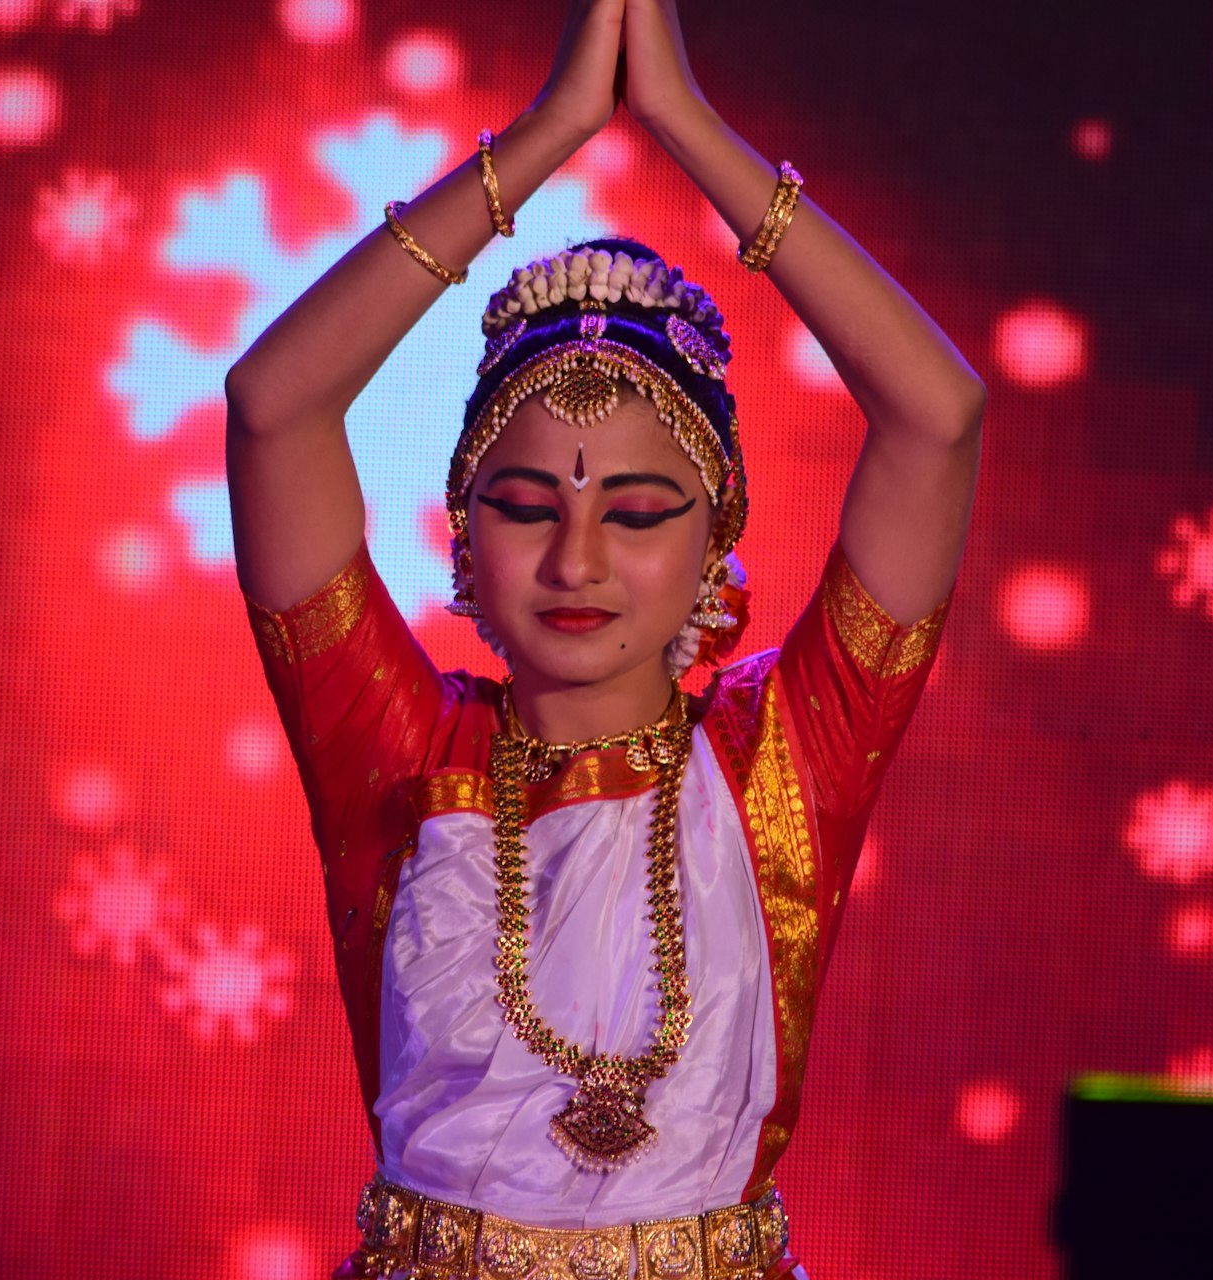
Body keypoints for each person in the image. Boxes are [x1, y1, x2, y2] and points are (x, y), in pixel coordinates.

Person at [224, 1, 983, 1274]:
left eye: (636, 512)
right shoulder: (402, 751)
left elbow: (940, 415)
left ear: (715, 534)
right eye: (528, 506)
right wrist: (546, 138)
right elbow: (272, 403)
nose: (577, 561)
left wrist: (684, 123)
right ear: (463, 532)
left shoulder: (783, 759)